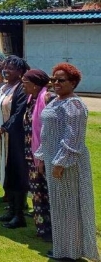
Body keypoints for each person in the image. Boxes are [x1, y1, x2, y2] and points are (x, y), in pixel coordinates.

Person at [34, 64, 99, 262]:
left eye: (61, 80)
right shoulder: (55, 101)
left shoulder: (75, 105)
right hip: (52, 160)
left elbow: (74, 138)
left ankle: (71, 252)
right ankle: (63, 249)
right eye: (53, 80)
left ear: (73, 83)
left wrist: (60, 163)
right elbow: (47, 134)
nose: (56, 84)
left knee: (70, 208)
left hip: (68, 165)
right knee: (59, 208)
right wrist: (43, 156)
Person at [0, 55, 30, 228]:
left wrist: (2, 129)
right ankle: (11, 209)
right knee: (6, 172)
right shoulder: (4, 86)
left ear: (20, 72)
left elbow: (19, 113)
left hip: (14, 138)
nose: (6, 70)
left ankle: (19, 214)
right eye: (5, 67)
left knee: (16, 174)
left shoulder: (21, 89)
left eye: (11, 68)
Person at [21, 69, 54, 241]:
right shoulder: (30, 99)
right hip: (30, 153)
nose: (22, 85)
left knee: (48, 192)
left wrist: (41, 156)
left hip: (45, 154)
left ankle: (54, 230)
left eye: (25, 82)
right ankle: (42, 228)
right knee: (37, 192)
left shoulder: (48, 99)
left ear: (34, 84)